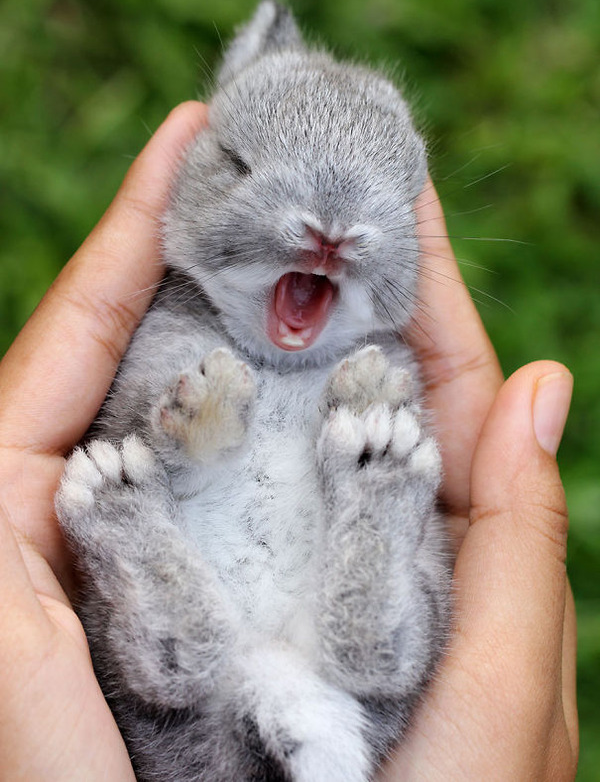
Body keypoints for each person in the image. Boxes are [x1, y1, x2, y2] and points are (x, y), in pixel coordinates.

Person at [0, 101, 578, 781]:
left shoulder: (379, 356)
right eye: (245, 166)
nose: (331, 232)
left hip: (231, 711)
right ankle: (358, 560)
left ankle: (160, 557)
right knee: (370, 483)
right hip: (315, 693)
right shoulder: (176, 323)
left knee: (174, 663)